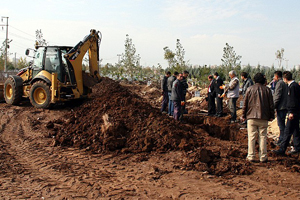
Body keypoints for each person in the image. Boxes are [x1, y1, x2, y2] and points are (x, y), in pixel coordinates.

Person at [242, 73, 274, 163]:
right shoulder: (267, 90)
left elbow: (245, 104)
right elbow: (271, 105)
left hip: (251, 117)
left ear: (254, 80)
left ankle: (251, 156)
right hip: (263, 117)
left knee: (251, 137)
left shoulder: (249, 89)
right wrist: (272, 116)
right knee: (263, 137)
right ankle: (263, 157)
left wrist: (243, 115)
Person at [273, 71, 300, 156]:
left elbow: (292, 101)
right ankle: (297, 147)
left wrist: (291, 112)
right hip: (296, 112)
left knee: (287, 131)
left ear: (285, 78)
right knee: (295, 130)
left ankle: (282, 149)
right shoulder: (295, 85)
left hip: (293, 113)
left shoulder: (292, 87)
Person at [273, 71, 288, 146]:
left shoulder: (279, 83)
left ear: (276, 76)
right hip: (285, 106)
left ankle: (282, 140)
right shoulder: (285, 83)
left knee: (281, 125)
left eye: (274, 77)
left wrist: (273, 106)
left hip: (281, 107)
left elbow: (277, 96)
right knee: (282, 124)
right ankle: (283, 139)